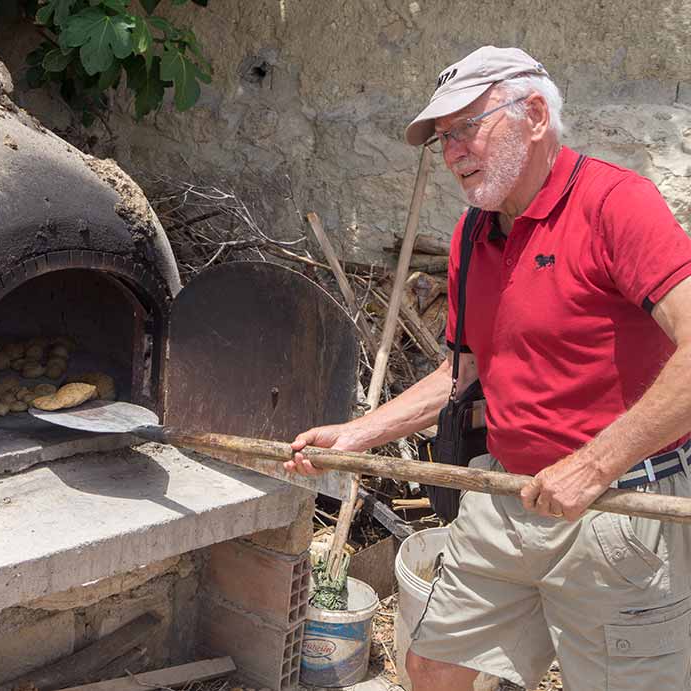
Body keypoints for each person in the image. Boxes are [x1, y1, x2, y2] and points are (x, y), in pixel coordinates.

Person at [286, 46, 691, 691]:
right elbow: (468, 369)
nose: (452, 152)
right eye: (442, 137)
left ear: (533, 114)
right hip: (506, 494)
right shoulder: (474, 234)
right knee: (435, 664)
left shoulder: (617, 205)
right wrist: (358, 436)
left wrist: (593, 464)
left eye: (466, 127)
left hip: (619, 507)